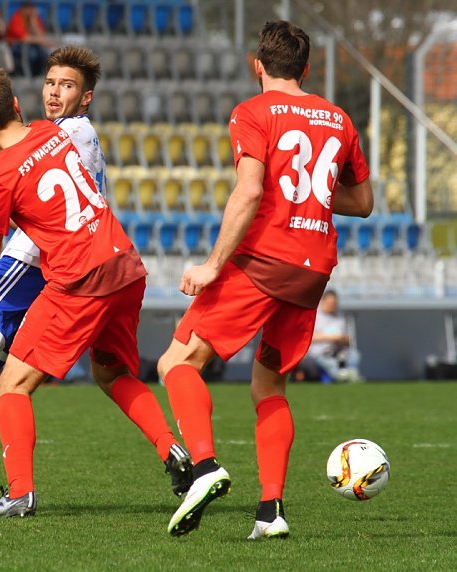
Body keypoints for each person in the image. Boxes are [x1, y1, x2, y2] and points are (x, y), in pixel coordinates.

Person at [0, 47, 192, 517]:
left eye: (67, 86)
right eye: (50, 83)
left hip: (51, 262)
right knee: (95, 374)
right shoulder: (45, 132)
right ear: (24, 101)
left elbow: (13, 180)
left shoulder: (76, 131)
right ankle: (173, 451)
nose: (56, 92)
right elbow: (10, 155)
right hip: (116, 260)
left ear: (86, 100)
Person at [157, 21, 373, 540]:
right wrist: (309, 200)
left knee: (177, 360)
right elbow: (363, 203)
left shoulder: (252, 112)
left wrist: (211, 265)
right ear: (305, 69)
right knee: (268, 384)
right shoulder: (339, 119)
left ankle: (205, 468)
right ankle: (271, 512)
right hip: (313, 270)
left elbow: (249, 191)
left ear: (258, 66)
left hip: (264, 261)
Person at [296, 290, 362, 382]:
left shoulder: (339, 317)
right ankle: (340, 377)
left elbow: (347, 338)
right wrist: (331, 338)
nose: (333, 305)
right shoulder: (314, 316)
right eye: (330, 303)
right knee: (331, 364)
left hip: (338, 351)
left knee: (354, 355)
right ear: (323, 301)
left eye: (334, 303)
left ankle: (350, 374)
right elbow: (308, 337)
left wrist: (343, 339)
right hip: (320, 353)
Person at [6, 1, 51, 77]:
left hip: (32, 45)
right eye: (28, 9)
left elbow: (41, 35)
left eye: (31, 9)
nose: (30, 11)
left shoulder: (34, 19)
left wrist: (33, 23)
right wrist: (40, 40)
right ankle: (25, 75)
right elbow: (24, 38)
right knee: (32, 54)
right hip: (16, 46)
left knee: (44, 54)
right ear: (23, 9)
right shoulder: (17, 17)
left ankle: (38, 75)